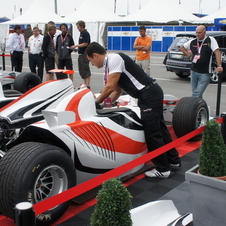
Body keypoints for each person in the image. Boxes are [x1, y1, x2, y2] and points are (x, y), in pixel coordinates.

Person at [85, 42, 181, 179]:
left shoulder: (114, 59)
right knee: (160, 129)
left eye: (91, 61)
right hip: (150, 93)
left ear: (95, 55)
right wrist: (105, 106)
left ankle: (163, 169)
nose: (92, 64)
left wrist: (95, 102)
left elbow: (110, 87)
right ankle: (174, 160)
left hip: (148, 94)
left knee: (152, 133)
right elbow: (117, 91)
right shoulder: (112, 64)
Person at [180, 25, 223, 98]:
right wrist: (189, 55)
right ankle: (200, 108)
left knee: (197, 93)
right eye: (196, 32)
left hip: (205, 72)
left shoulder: (210, 40)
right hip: (194, 71)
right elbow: (182, 47)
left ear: (204, 32)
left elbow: (217, 52)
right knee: (196, 93)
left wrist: (219, 65)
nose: (197, 34)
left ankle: (190, 106)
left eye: (199, 33)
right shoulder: (193, 41)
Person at [70, 20, 91, 88]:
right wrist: (77, 49)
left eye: (78, 26)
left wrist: (76, 46)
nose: (77, 28)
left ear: (82, 26)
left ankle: (88, 84)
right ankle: (85, 83)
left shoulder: (85, 33)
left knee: (85, 69)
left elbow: (85, 43)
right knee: (81, 70)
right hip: (81, 53)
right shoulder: (81, 34)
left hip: (85, 54)